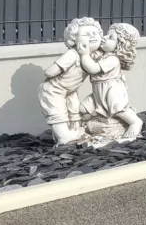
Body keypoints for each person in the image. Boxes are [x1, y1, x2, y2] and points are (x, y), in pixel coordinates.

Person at [38, 17, 103, 145]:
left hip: (70, 91)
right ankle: (63, 136)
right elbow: (49, 72)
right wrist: (51, 71)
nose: (93, 37)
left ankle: (75, 133)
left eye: (95, 33)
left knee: (74, 111)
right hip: (54, 89)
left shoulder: (91, 55)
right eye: (86, 34)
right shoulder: (72, 55)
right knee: (58, 113)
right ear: (73, 39)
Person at [77, 23, 143, 142]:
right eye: (107, 35)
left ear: (120, 45)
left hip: (111, 89)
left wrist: (84, 54)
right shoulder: (102, 55)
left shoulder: (113, 59)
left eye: (111, 38)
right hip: (99, 91)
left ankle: (135, 122)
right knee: (82, 108)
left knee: (118, 108)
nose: (104, 38)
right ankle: (91, 122)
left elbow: (93, 69)